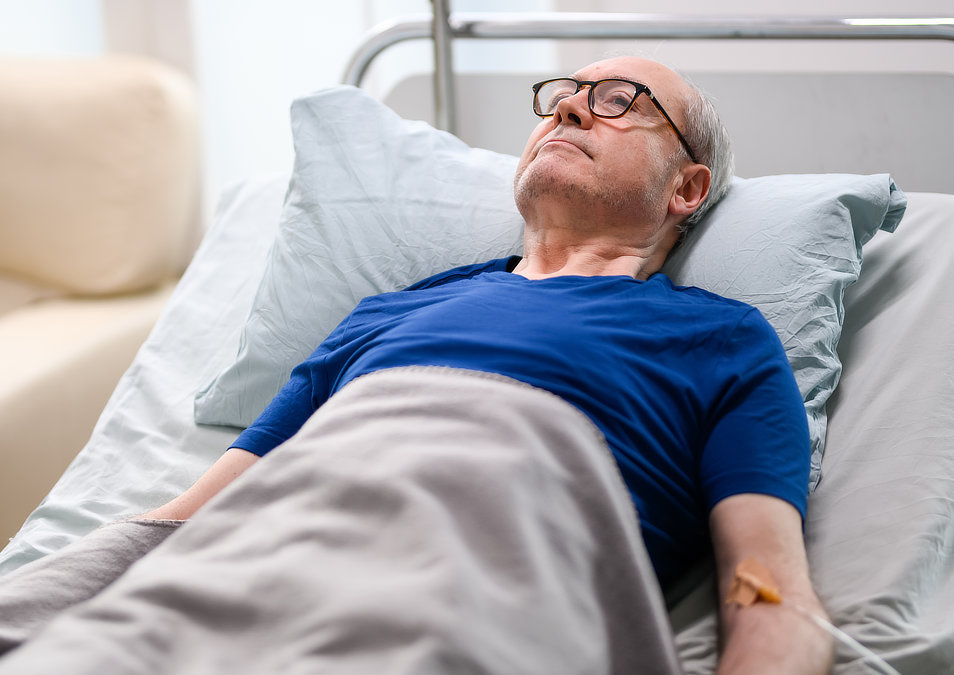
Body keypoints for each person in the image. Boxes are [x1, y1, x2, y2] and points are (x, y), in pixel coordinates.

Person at [140, 56, 833, 673]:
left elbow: (768, 594)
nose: (568, 107)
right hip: (247, 592)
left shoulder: (723, 341)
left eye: (620, 100)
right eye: (566, 93)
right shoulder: (387, 313)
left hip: (473, 609)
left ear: (686, 188)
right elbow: (181, 523)